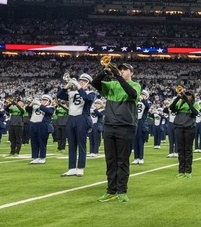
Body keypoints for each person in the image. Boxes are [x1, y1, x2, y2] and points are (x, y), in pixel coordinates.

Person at [92, 61, 141, 202]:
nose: (122, 71)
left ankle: (122, 191)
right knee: (110, 160)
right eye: (120, 70)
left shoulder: (135, 85)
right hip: (109, 126)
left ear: (131, 73)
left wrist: (118, 77)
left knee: (123, 161)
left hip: (126, 126)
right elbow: (95, 83)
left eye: (125, 70)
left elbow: (131, 93)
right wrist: (105, 71)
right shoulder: (112, 85)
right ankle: (111, 190)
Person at [60, 73, 97, 177]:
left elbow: (86, 98)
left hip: (82, 118)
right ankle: (71, 168)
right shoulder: (72, 92)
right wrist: (66, 86)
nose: (81, 82)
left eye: (84, 81)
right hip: (71, 118)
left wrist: (78, 86)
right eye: (80, 81)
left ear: (88, 84)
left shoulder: (91, 93)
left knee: (81, 144)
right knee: (71, 144)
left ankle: (80, 168)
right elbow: (60, 96)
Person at [170, 89, 199, 178]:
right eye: (186, 95)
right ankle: (181, 171)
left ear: (192, 97)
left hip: (189, 128)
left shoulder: (195, 104)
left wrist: (187, 101)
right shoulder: (180, 103)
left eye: (189, 95)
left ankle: (188, 171)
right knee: (180, 150)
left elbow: (195, 112)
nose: (187, 96)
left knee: (188, 150)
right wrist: (177, 98)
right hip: (179, 127)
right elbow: (171, 108)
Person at [28, 95, 54, 164]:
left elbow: (48, 111)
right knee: (34, 142)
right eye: (42, 100)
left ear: (49, 102)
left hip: (43, 126)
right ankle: (35, 157)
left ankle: (42, 157)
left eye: (45, 100)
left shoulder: (50, 108)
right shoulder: (36, 107)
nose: (43, 101)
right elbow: (27, 109)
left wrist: (40, 104)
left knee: (42, 142)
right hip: (34, 124)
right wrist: (31, 103)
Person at [133, 89, 151, 165]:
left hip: (141, 122)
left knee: (140, 140)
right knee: (135, 140)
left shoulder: (147, 102)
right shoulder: (136, 102)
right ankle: (136, 157)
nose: (141, 95)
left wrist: (143, 100)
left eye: (143, 94)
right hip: (135, 121)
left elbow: (147, 106)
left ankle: (140, 157)